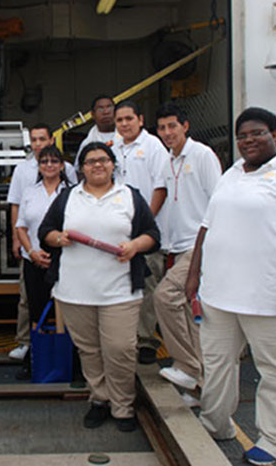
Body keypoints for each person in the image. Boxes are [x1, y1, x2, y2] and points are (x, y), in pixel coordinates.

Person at [185, 108, 276, 466]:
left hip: (271, 299)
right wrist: (193, 277)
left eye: (258, 133)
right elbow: (207, 228)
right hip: (219, 296)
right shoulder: (231, 175)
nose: (249, 140)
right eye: (243, 136)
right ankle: (216, 423)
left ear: (275, 135)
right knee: (217, 365)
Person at [39, 142, 160, 432]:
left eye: (103, 160)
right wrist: (59, 238)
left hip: (119, 290)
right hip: (74, 291)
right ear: (81, 168)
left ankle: (123, 405)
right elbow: (45, 232)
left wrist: (134, 246)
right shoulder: (68, 197)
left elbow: (153, 234)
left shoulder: (129, 195)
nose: (97, 165)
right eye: (91, 161)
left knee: (120, 348)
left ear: (112, 164)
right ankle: (100, 399)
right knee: (90, 350)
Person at [152, 102, 221, 400]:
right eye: (162, 128)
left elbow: (218, 202)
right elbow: (163, 199)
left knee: (165, 297)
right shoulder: (168, 161)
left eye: (172, 127)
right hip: (177, 246)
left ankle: (188, 366)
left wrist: (208, 246)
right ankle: (200, 386)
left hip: (199, 244)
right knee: (191, 313)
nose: (168, 133)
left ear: (185, 126)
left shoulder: (202, 155)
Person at [7, 124, 77, 367]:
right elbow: (21, 223)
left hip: (67, 259)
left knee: (69, 307)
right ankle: (36, 358)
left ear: (62, 165)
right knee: (35, 306)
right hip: (34, 258)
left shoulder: (72, 191)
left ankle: (69, 359)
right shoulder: (29, 190)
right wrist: (30, 251)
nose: (48, 165)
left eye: (53, 161)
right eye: (44, 162)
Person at [111, 99, 170, 365]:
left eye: (128, 119)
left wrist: (148, 223)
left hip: (144, 232)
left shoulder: (153, 146)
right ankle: (126, 339)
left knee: (147, 285)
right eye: (119, 120)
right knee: (122, 287)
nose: (124, 124)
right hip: (118, 232)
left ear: (140, 120)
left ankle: (147, 341)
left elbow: (161, 187)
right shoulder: (115, 147)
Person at [75, 94, 118, 162]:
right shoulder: (87, 143)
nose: (106, 112)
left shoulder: (130, 138)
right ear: (93, 114)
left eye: (109, 107)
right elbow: (79, 170)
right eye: (100, 109)